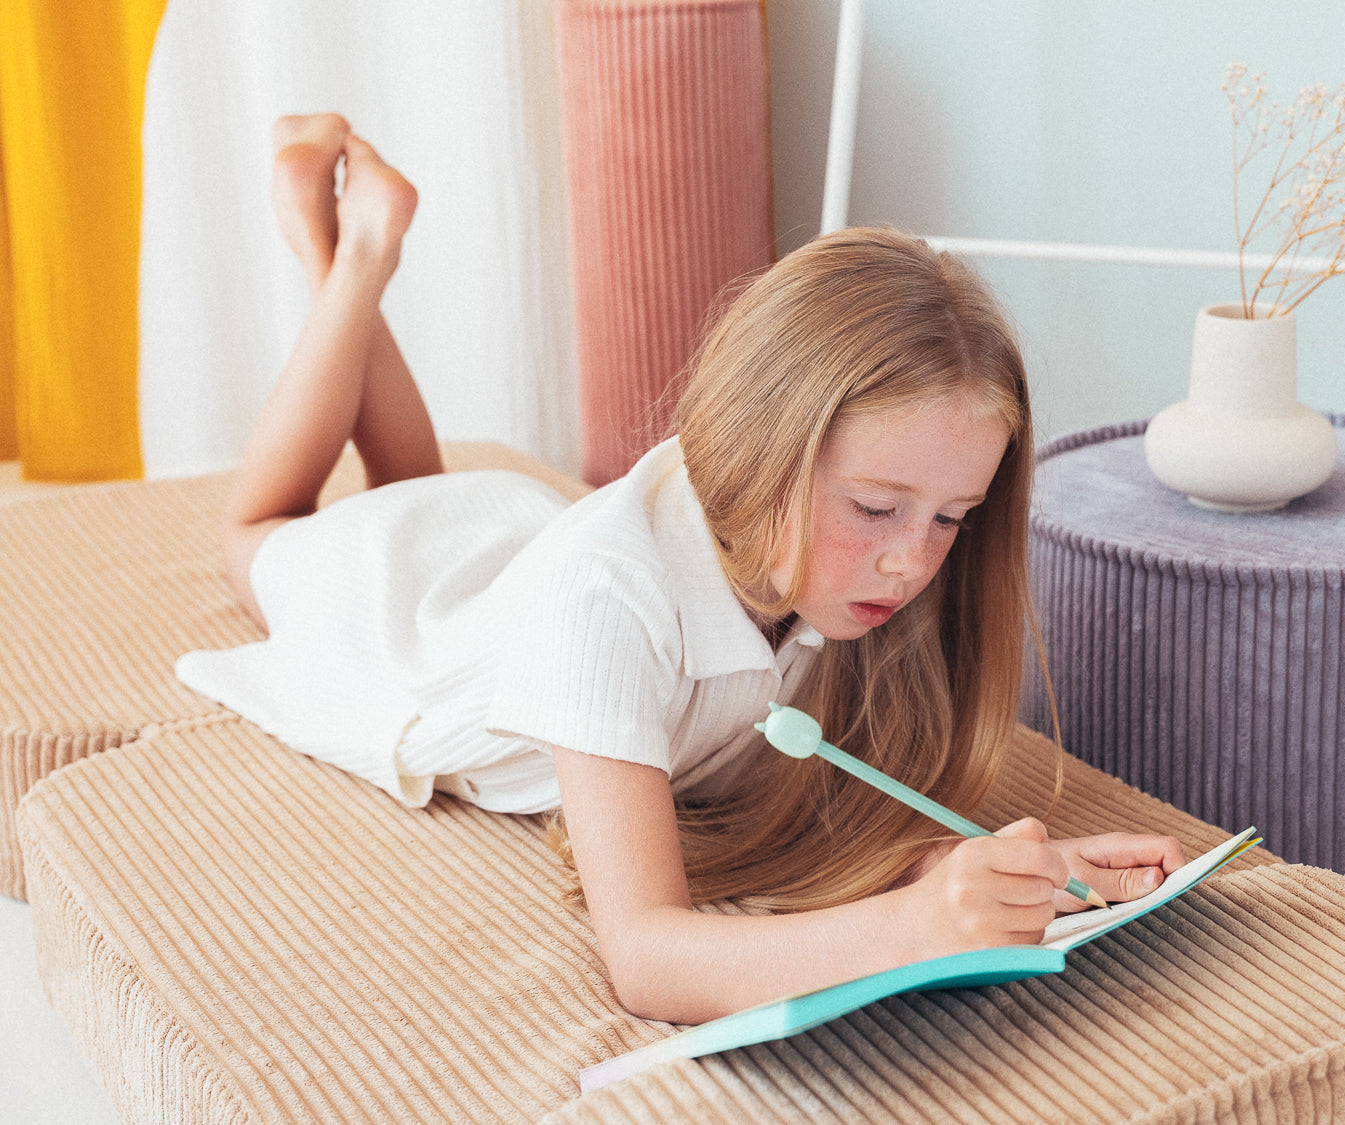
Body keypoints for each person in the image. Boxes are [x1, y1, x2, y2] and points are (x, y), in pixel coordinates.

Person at [178, 114, 1185, 1026]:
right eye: (878, 508)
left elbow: (831, 809)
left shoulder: (832, 581)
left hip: (511, 551)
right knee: (262, 529)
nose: (909, 559)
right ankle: (349, 257)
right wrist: (917, 926)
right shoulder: (605, 603)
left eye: (952, 519)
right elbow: (648, 957)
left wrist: (1008, 877)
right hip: (405, 610)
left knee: (415, 484)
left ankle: (351, 259)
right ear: (759, 448)